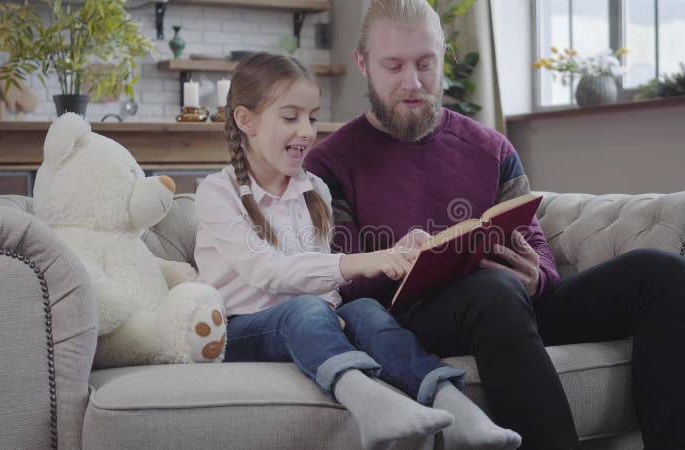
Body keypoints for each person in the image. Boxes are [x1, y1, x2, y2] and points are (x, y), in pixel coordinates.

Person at [304, 1, 685, 449]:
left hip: (509, 305)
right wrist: (401, 259)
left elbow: (535, 243)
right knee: (492, 291)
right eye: (394, 66)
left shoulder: (490, 147)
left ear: (443, 57)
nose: (412, 82)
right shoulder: (328, 163)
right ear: (363, 63)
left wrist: (537, 275)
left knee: (663, 274)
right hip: (410, 322)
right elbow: (339, 280)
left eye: (425, 64)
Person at [194, 51, 522, 450]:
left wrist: (394, 254)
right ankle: (369, 405)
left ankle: (455, 409)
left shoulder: (314, 190)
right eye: (290, 117)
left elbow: (321, 281)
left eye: (312, 118)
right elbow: (268, 272)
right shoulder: (216, 193)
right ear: (246, 121)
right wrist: (361, 264)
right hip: (240, 330)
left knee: (364, 311)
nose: (306, 131)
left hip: (308, 321)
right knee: (308, 309)